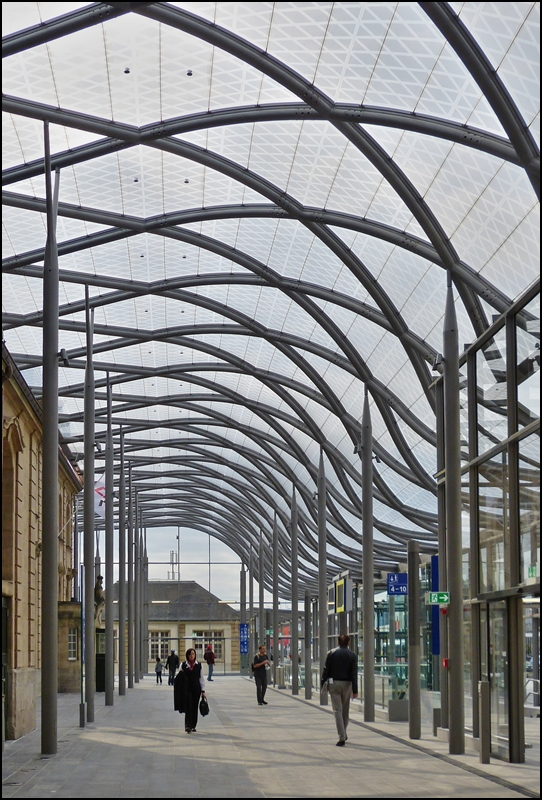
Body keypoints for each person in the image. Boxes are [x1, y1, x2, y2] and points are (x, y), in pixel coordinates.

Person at [321, 633, 358, 746]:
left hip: (334, 684)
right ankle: (344, 733)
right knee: (345, 710)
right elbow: (354, 674)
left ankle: (341, 736)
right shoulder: (352, 655)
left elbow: (326, 670)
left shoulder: (331, 653)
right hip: (347, 684)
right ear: (348, 643)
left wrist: (323, 684)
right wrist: (355, 690)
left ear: (338, 642)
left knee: (337, 710)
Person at [173, 648, 206, 733]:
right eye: (190, 654)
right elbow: (179, 676)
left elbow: (201, 679)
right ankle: (188, 725)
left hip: (196, 689)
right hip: (186, 689)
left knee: (194, 707)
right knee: (188, 706)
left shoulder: (199, 665)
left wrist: (203, 691)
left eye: (193, 654)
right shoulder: (183, 665)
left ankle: (193, 725)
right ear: (187, 655)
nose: (192, 656)